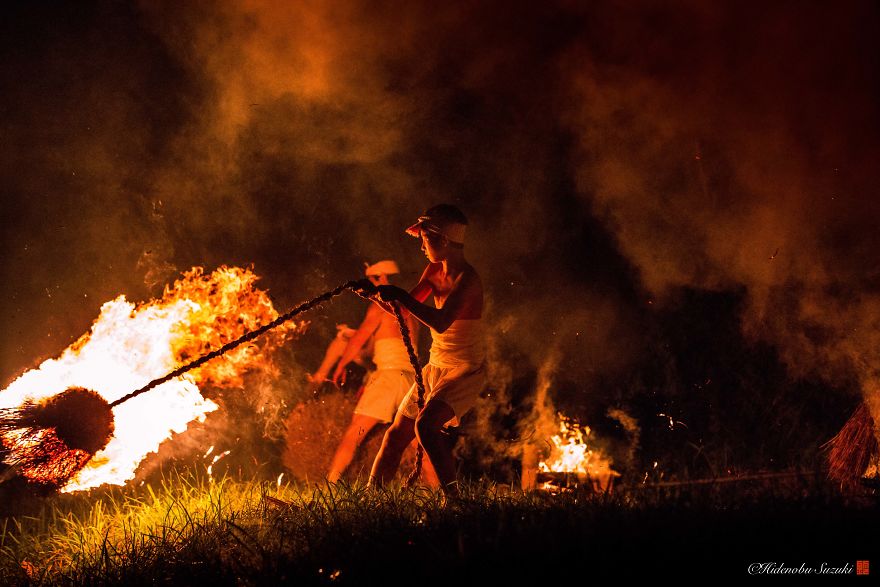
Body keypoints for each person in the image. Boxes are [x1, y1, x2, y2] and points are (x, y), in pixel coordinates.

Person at [363, 204, 485, 494]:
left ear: (443, 240)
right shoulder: (433, 270)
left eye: (425, 239)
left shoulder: (468, 279)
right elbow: (402, 309)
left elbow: (441, 322)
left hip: (464, 369)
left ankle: (454, 501)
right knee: (395, 435)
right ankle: (371, 496)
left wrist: (401, 296)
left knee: (426, 426)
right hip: (436, 365)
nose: (421, 246)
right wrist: (375, 295)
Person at [325, 260, 420, 483]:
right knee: (420, 443)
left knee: (354, 433)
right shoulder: (410, 307)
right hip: (411, 380)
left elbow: (360, 338)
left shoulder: (380, 305)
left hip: (389, 377)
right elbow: (383, 345)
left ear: (382, 278)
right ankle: (444, 493)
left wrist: (341, 365)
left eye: (372, 281)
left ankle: (330, 484)